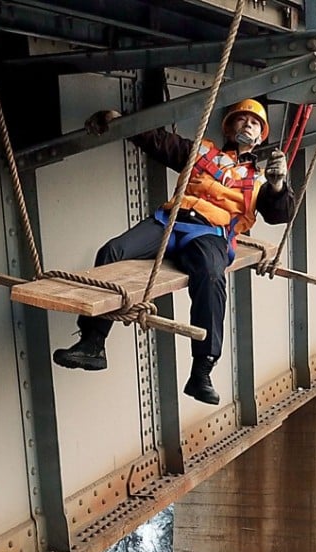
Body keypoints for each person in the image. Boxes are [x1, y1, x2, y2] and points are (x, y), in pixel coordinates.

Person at [51, 99, 296, 405]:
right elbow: (159, 142)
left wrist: (277, 186)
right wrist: (120, 121)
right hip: (169, 222)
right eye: (241, 119)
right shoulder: (202, 152)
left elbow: (278, 214)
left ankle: (201, 370)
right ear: (229, 127)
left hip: (210, 233)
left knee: (209, 274)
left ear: (260, 136)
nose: (247, 124)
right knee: (112, 251)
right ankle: (93, 343)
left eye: (254, 123)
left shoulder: (260, 180)